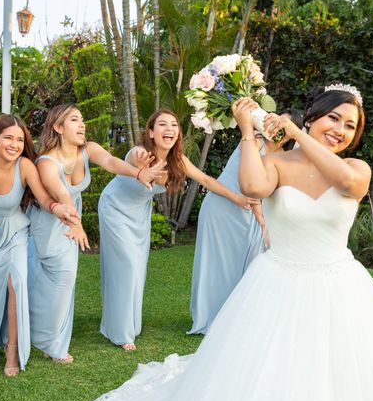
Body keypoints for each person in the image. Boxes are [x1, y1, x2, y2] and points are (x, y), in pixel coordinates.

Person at [81, 86, 373, 401]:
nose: (340, 129)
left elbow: (350, 186)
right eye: (333, 118)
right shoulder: (277, 163)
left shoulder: (354, 168)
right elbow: (252, 185)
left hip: (340, 286)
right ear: (314, 115)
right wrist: (247, 132)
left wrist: (297, 132)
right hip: (278, 281)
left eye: (350, 125)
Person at [99, 109, 258, 351]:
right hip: (114, 208)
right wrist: (141, 168)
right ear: (151, 133)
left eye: (174, 125)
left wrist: (237, 198)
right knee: (126, 265)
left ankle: (129, 322)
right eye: (162, 125)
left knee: (136, 268)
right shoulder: (140, 153)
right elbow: (130, 162)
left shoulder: (179, 161)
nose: (170, 129)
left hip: (139, 215)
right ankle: (120, 332)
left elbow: (206, 180)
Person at [27, 103, 164, 364]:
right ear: (58, 127)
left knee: (66, 279)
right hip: (50, 222)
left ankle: (50, 340)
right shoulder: (46, 161)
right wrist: (75, 224)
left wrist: (139, 173)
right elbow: (61, 193)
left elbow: (111, 162)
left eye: (82, 119)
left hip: (70, 217)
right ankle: (45, 337)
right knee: (53, 279)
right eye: (74, 120)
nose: (82, 125)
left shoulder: (87, 149)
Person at [0, 114, 79, 377]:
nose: (15, 144)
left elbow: (44, 198)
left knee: (16, 284)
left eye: (20, 139)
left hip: (13, 235)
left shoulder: (24, 166)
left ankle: (13, 349)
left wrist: (59, 209)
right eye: (8, 138)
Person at [188, 108, 303, 335]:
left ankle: (237, 318)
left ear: (292, 132)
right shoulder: (254, 140)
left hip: (249, 214)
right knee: (216, 265)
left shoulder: (281, 157)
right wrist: (261, 219)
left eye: (283, 125)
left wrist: (265, 220)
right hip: (222, 209)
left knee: (247, 265)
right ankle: (209, 316)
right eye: (275, 121)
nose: (276, 128)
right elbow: (249, 186)